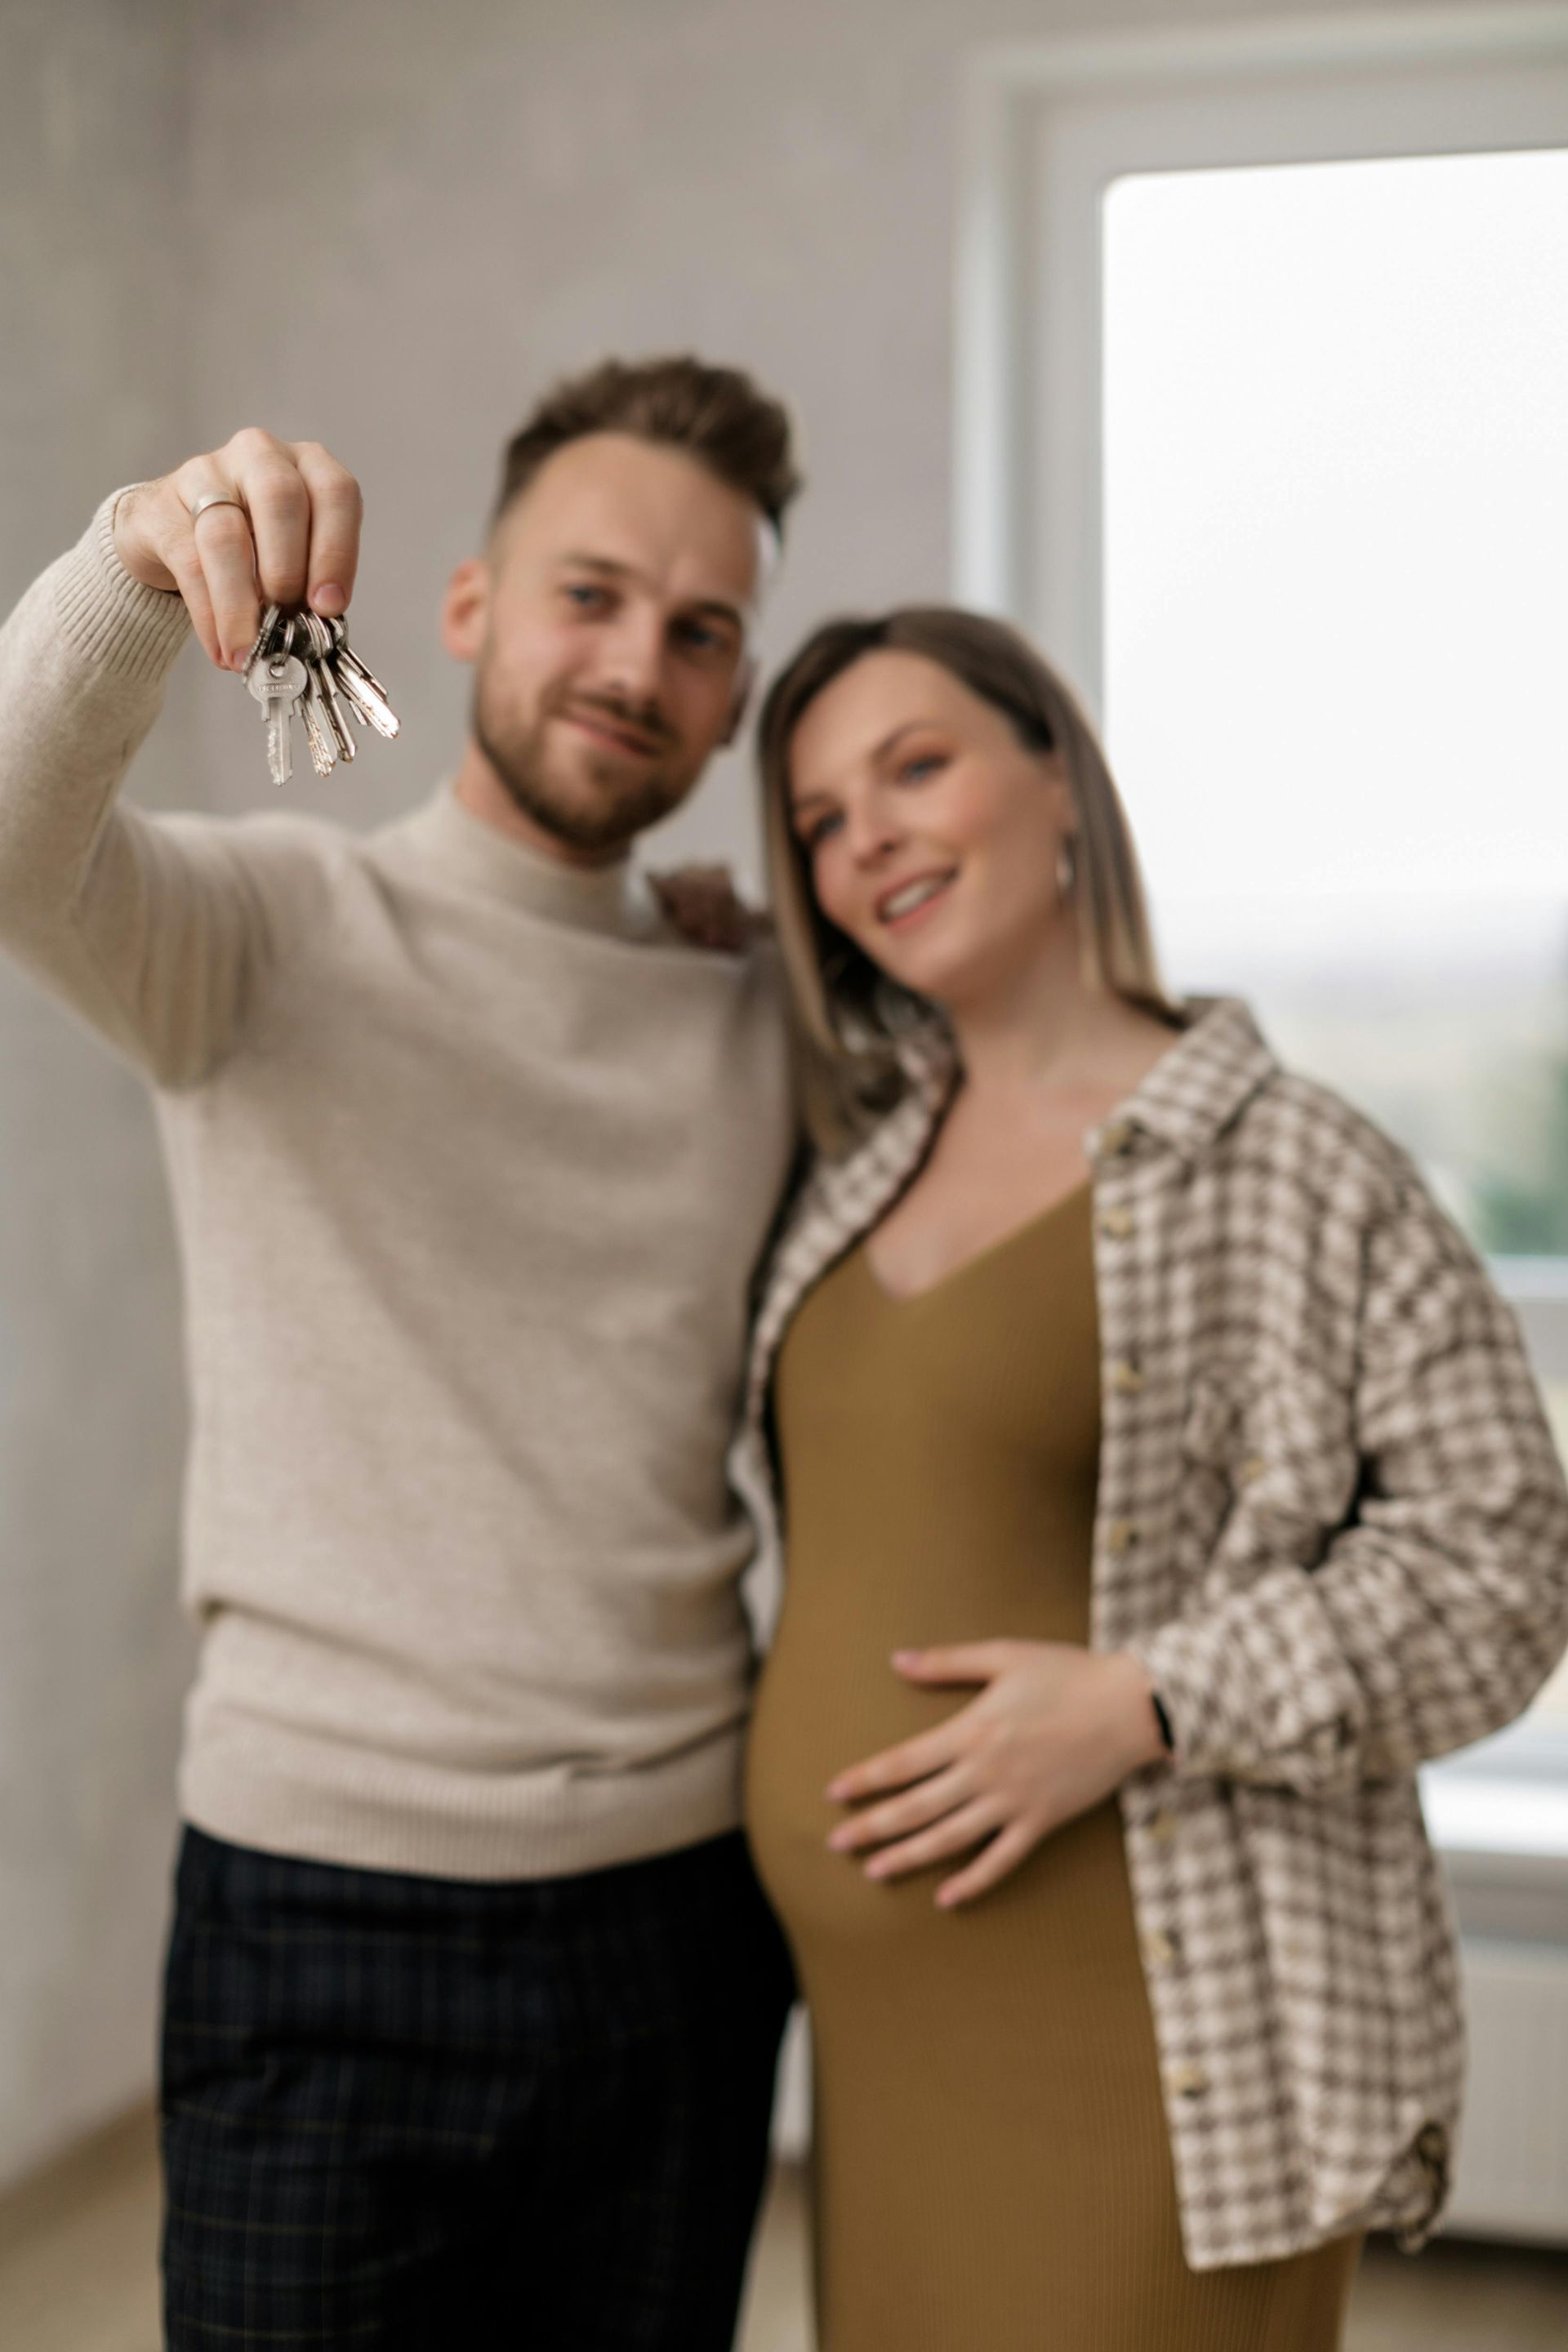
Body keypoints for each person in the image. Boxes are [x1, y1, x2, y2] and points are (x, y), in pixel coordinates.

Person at [0, 357, 805, 2350]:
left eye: (702, 633)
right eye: (591, 593)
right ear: (466, 607)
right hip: (321, 1909)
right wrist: (127, 559)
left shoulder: (752, 1008)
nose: (639, 663)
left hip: (685, 1918)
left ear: (735, 695)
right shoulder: (274, 930)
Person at [737, 606, 1568, 2351]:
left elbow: (1509, 1566)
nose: (863, 834)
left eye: (915, 766)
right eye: (818, 817)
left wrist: (1148, 1701)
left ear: (1060, 784)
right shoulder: (851, 1160)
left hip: (1156, 2037)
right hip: (885, 2061)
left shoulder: (1294, 1167)